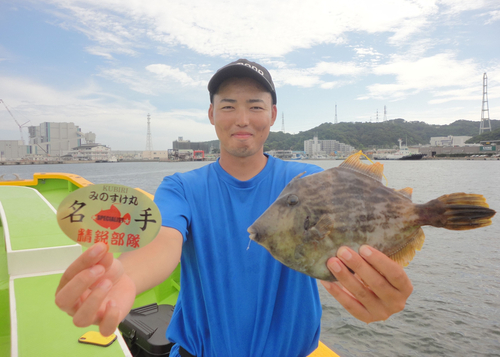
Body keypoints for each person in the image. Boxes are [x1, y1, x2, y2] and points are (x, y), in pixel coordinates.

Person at [55, 59, 413, 357]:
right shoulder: (181, 187)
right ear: (212, 114)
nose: (242, 119)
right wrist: (124, 278)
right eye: (228, 106)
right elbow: (164, 242)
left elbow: (354, 237)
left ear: (272, 115)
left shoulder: (307, 181)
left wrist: (374, 288)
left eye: (255, 106)